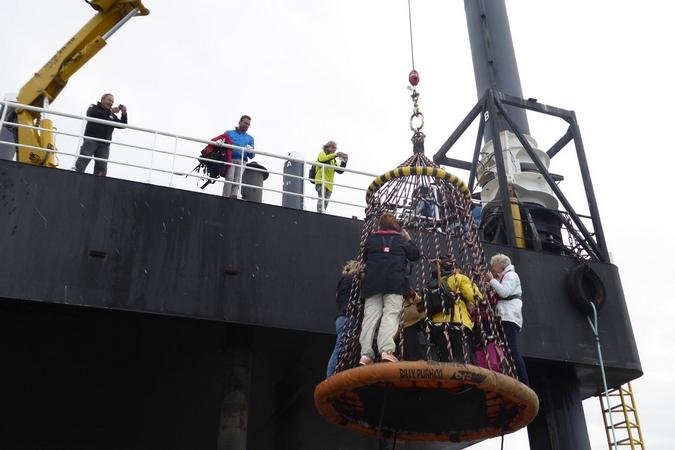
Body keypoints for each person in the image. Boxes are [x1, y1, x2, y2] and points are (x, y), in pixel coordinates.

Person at [359, 213, 420, 365]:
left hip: (372, 284)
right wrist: (408, 238)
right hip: (395, 283)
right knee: (390, 315)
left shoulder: (371, 239)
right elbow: (415, 255)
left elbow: (365, 258)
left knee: (370, 317)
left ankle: (365, 355)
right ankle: (386, 351)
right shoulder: (400, 240)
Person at [484, 253, 529, 385]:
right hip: (505, 316)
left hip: (509, 317)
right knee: (505, 349)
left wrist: (492, 280)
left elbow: (504, 292)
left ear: (500, 265)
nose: (492, 269)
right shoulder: (503, 278)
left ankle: (524, 381)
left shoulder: (511, 276)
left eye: (494, 266)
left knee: (512, 349)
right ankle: (514, 377)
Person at [426, 260, 479, 362]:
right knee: (460, 357)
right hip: (457, 321)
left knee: (444, 357)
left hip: (437, 323)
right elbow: (473, 296)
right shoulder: (459, 278)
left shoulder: (434, 282)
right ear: (455, 269)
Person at [74, 93, 127, 176]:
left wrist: (124, 114)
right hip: (91, 140)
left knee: (102, 168)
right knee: (83, 161)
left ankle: (98, 185)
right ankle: (75, 178)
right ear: (102, 99)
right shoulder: (93, 107)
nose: (111, 103)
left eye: (112, 101)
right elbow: (94, 114)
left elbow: (123, 125)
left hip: (104, 144)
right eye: (109, 100)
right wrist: (111, 111)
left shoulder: (111, 115)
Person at [326, 260, 362, 378]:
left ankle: (333, 375)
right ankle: (330, 377)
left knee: (342, 347)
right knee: (341, 347)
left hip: (341, 317)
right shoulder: (353, 279)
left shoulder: (342, 282)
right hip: (348, 317)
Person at [222, 115, 255, 199]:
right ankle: (225, 198)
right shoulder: (229, 133)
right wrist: (220, 142)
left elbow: (252, 156)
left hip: (242, 161)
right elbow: (221, 144)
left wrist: (250, 150)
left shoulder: (250, 138)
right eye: (245, 123)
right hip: (231, 159)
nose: (247, 125)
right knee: (229, 177)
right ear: (240, 122)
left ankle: (233, 198)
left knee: (237, 181)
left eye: (248, 124)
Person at [314, 141, 348, 213]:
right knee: (321, 198)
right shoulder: (322, 154)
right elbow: (323, 159)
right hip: (321, 180)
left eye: (335, 148)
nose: (334, 149)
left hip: (329, 184)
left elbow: (340, 171)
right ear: (327, 147)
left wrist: (344, 161)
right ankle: (319, 214)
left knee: (325, 202)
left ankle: (323, 214)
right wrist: (336, 155)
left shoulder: (333, 161)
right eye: (333, 147)